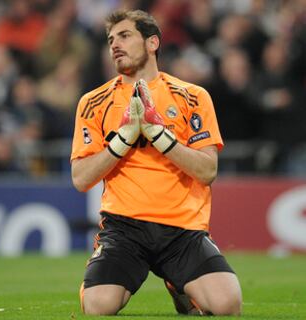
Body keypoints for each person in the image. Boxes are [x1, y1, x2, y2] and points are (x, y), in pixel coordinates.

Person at [70, 10, 242, 316]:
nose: (115, 45)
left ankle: (179, 284)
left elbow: (207, 171)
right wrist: (123, 139)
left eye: (124, 36)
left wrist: (158, 136)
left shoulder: (192, 96)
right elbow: (81, 178)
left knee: (227, 306)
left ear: (152, 43)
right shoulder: (93, 102)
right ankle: (174, 282)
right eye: (111, 39)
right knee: (99, 307)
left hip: (182, 229)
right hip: (123, 228)